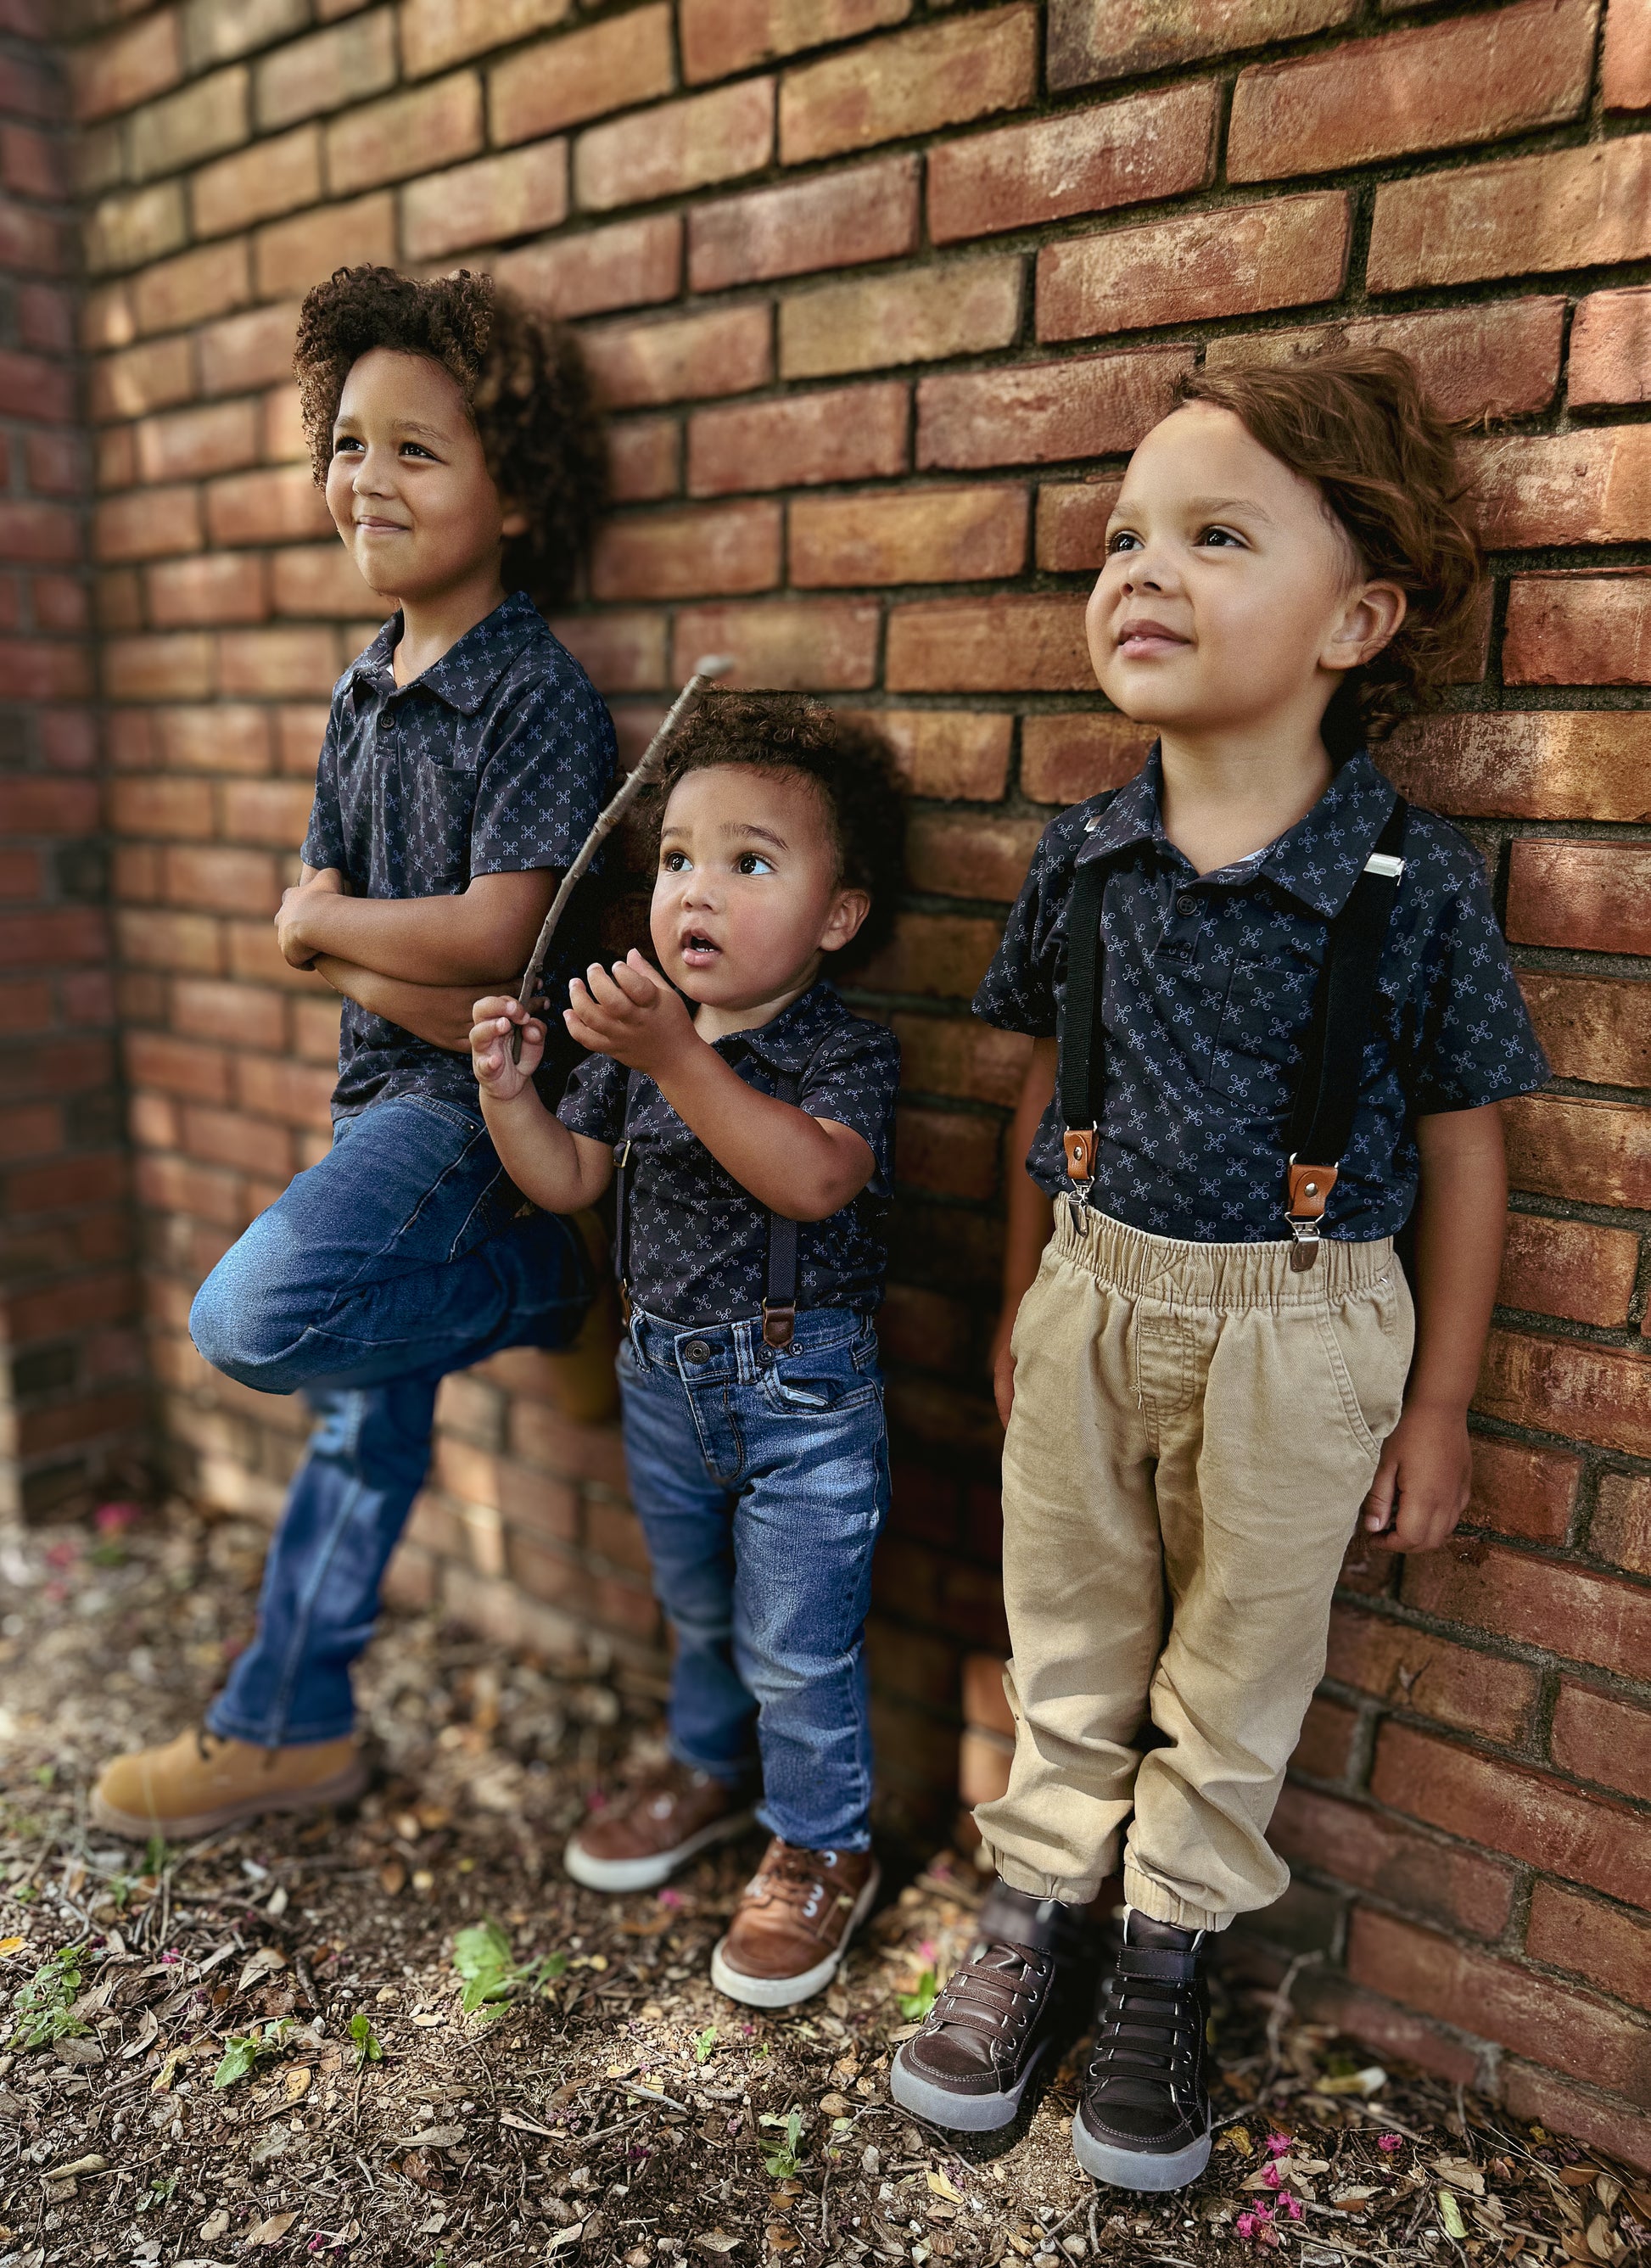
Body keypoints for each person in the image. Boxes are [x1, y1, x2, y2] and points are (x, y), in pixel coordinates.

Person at [891, 350, 1549, 2187]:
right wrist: (1025, 1298)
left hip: (1305, 1332)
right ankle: (1034, 1912)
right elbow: (1038, 1091)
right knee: (1067, 1631)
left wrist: (1438, 1402)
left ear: (1354, 619)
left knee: (1242, 1663)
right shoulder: (1085, 857)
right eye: (1124, 537)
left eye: (1214, 536)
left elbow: (1468, 1140)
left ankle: (1163, 1956)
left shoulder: (1408, 882)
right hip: (1088, 1295)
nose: (1142, 571)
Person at [92, 267, 613, 1840]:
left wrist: (329, 928)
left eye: (417, 450)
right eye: (347, 443)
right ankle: (290, 1723)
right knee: (357, 1402)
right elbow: (315, 929)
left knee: (258, 1319)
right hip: (382, 1085)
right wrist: (350, 939)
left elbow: (494, 930)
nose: (367, 478)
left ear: (513, 496)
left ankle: (549, 1280)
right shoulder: (357, 691)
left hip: (471, 1109)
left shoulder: (532, 691)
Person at [467, 692, 904, 2008]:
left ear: (838, 915)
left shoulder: (837, 1049)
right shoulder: (635, 1045)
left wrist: (674, 1054)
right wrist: (509, 1093)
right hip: (660, 1381)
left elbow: (812, 1180)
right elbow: (567, 1177)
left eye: (748, 862)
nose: (695, 890)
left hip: (800, 1394)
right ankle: (709, 1768)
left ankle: (822, 1845)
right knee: (700, 1607)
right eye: (674, 860)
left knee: (795, 1640)